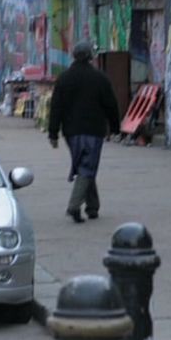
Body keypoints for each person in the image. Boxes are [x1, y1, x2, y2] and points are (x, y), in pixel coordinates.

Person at [48, 41, 120, 223]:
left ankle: (93, 207)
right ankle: (74, 206)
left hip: (71, 132)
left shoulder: (64, 78)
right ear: (90, 57)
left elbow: (56, 107)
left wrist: (53, 133)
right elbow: (111, 105)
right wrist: (116, 127)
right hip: (93, 131)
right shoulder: (99, 78)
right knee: (87, 167)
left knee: (84, 166)